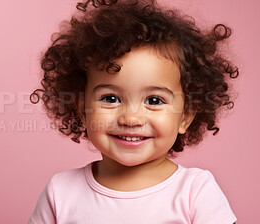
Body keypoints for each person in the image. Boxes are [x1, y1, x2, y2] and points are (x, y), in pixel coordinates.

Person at [28, 0, 239, 223]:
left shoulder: (195, 192)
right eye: (110, 98)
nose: (131, 118)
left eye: (154, 100)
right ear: (82, 109)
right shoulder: (60, 193)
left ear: (185, 116)